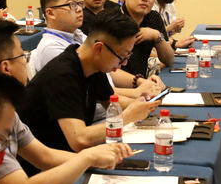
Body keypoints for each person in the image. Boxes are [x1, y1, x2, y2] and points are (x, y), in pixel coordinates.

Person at [0, 18, 131, 184]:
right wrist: (86, 158)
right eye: (23, 56)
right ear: (6, 68)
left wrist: (95, 157)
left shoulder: (3, 107)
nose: (26, 62)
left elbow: (44, 156)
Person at [19, 11, 159, 153]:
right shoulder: (62, 75)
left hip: (70, 155)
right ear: (99, 48)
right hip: (47, 161)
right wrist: (127, 117)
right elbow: (79, 140)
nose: (124, 63)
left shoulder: (93, 65)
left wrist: (145, 104)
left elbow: (111, 102)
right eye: (122, 56)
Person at [31, 0, 161, 99]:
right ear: (50, 13)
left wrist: (139, 82)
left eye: (79, 3)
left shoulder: (78, 34)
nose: (79, 9)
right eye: (71, 5)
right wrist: (136, 93)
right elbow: (89, 92)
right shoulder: (51, 48)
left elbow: (106, 67)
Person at [120, 0, 191, 81]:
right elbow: (108, 72)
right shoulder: (113, 19)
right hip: (119, 87)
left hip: (142, 82)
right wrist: (139, 83)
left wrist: (156, 35)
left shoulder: (153, 17)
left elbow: (169, 60)